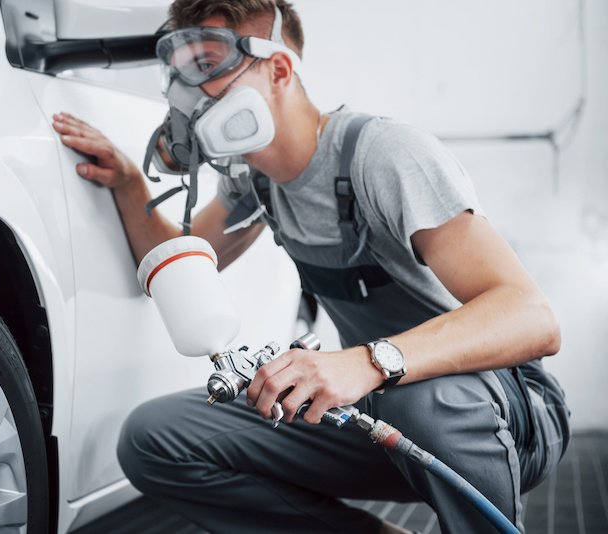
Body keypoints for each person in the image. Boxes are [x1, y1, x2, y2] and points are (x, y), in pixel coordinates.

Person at [52, 1, 570, 532]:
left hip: (506, 412)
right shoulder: (254, 182)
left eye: (207, 66)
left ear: (278, 70)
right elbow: (174, 268)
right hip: (383, 407)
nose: (189, 94)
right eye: (180, 72)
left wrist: (368, 362)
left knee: (421, 398)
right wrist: (129, 184)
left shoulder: (384, 156)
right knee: (153, 437)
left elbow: (532, 318)